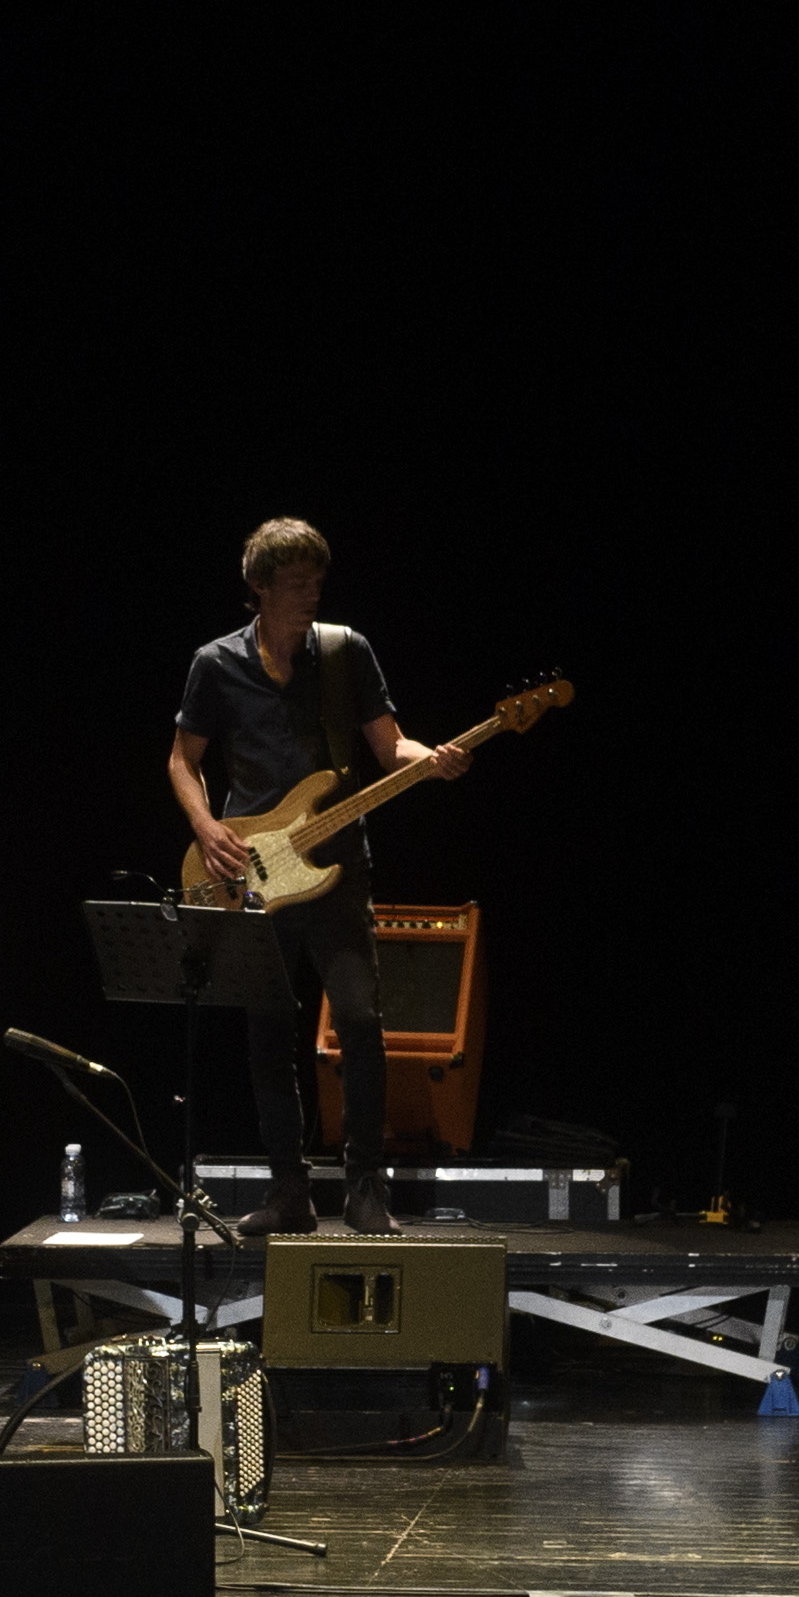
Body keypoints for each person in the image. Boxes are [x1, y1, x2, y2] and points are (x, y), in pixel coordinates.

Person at [167, 517, 466, 1234]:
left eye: (316, 582)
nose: (309, 595)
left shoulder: (344, 651)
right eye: (295, 583)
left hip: (338, 868)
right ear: (259, 588)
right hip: (251, 869)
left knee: (361, 1022)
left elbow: (389, 745)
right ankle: (288, 1192)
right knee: (268, 1034)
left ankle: (366, 1188)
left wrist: (433, 759)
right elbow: (182, 759)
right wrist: (207, 830)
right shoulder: (215, 663)